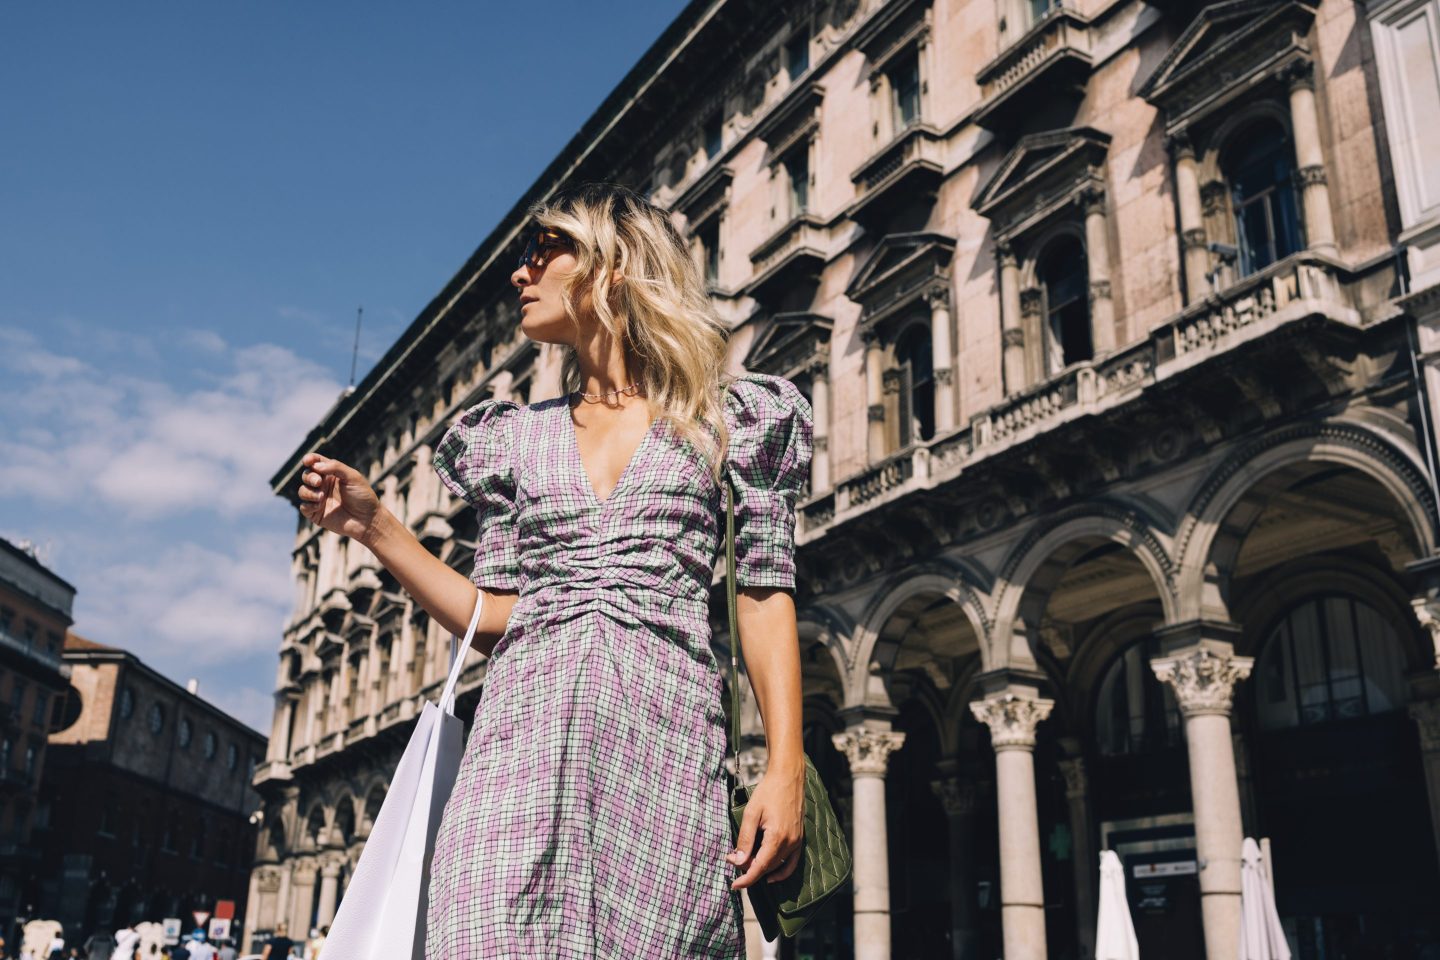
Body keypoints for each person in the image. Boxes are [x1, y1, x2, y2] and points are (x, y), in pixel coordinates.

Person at [298, 182, 810, 958]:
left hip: (663, 757)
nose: (520, 274)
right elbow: (495, 615)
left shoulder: (730, 420)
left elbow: (763, 599)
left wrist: (785, 768)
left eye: (544, 252)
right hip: (512, 753)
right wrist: (375, 527)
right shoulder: (508, 441)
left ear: (612, 268)